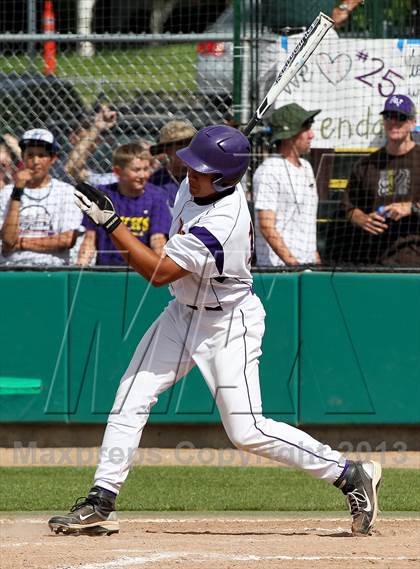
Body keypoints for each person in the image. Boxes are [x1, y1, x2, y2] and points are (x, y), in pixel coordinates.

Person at [48, 124, 381, 538]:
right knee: (130, 396)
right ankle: (101, 499)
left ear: (225, 178)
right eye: (191, 166)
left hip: (228, 322)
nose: (189, 174)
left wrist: (112, 224)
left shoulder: (224, 219)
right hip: (181, 311)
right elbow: (184, 165)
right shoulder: (204, 182)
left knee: (246, 431)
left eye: (200, 170)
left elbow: (158, 271)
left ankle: (349, 474)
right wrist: (214, 144)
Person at [342, 94, 420, 266]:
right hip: (374, 262)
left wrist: (412, 207)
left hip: (415, 263)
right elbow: (349, 208)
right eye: (388, 116)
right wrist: (362, 219)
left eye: (400, 117)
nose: (393, 122)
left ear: (413, 123)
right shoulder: (366, 165)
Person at [77, 143, 172, 266]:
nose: (143, 175)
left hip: (143, 269)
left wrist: (160, 268)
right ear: (117, 171)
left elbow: (158, 239)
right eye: (136, 170)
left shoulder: (156, 196)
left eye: (146, 169)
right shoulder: (103, 196)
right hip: (107, 268)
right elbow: (90, 238)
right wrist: (81, 267)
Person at [0, 129, 82, 266]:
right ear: (23, 157)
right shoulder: (7, 193)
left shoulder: (66, 192)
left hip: (53, 267)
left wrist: (21, 243)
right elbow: (8, 241)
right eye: (30, 155)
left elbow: (67, 240)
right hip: (12, 267)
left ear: (53, 159)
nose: (35, 161)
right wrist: (17, 191)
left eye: (42, 155)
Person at [253, 103, 321, 267]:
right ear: (290, 135)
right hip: (278, 269)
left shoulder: (306, 167)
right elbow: (266, 225)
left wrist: (316, 260)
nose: (311, 135)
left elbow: (306, 221)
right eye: (306, 128)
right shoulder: (268, 170)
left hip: (308, 266)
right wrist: (294, 265)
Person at [149, 120, 196, 210]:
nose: (187, 152)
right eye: (181, 147)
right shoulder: (155, 182)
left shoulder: (205, 177)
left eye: (191, 146)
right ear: (167, 151)